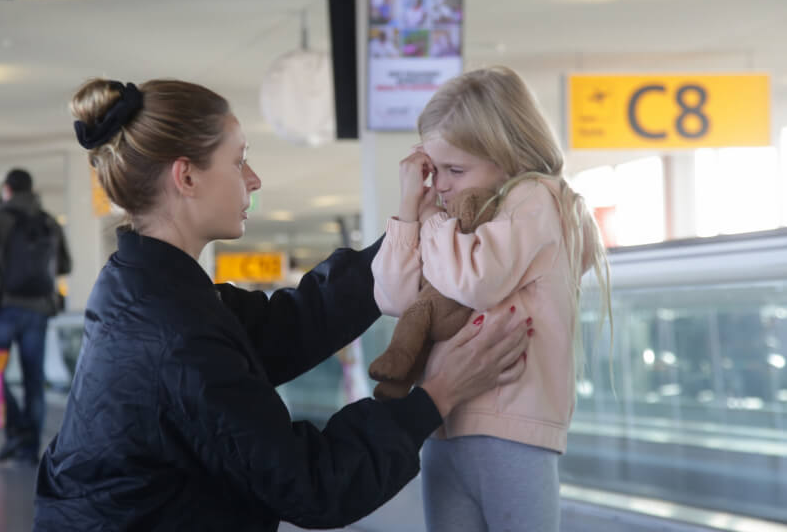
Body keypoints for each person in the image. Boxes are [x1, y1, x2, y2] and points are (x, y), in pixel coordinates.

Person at [33, 78, 531, 531]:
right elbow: (312, 486)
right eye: (238, 161)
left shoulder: (146, 288)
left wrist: (408, 231)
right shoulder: (173, 330)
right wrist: (436, 396)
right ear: (186, 177)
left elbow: (286, 326)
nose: (253, 179)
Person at [372, 66, 612, 532]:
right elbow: (394, 298)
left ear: (509, 156)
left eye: (455, 170)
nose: (441, 185)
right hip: (444, 422)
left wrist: (433, 224)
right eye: (434, 170)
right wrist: (408, 210)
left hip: (511, 426)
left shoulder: (537, 198)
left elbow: (476, 282)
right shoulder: (460, 227)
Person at [0, 168, 72, 465]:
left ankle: (16, 432)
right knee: (33, 381)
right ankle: (29, 449)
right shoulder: (49, 221)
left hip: (2, 309)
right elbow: (65, 265)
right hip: (38, 310)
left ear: (7, 190)